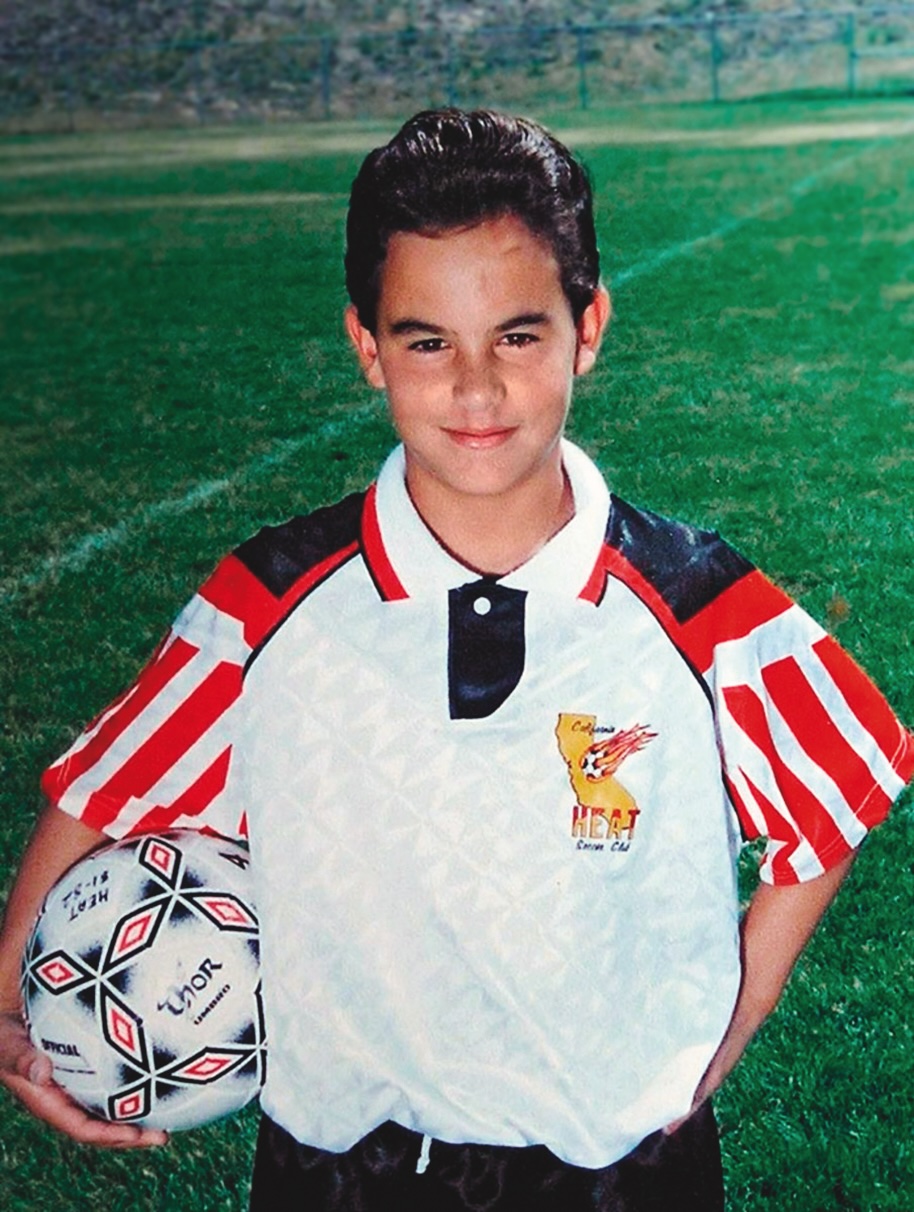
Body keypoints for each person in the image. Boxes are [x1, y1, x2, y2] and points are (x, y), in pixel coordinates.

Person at [1, 108, 912, 1211]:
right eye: (427, 341)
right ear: (367, 347)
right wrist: (14, 1009)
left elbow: (840, 779)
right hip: (341, 1169)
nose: (475, 391)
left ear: (587, 328)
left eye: (517, 337)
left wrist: (738, 1010)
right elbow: (103, 787)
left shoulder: (693, 603)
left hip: (619, 1169)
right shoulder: (270, 604)